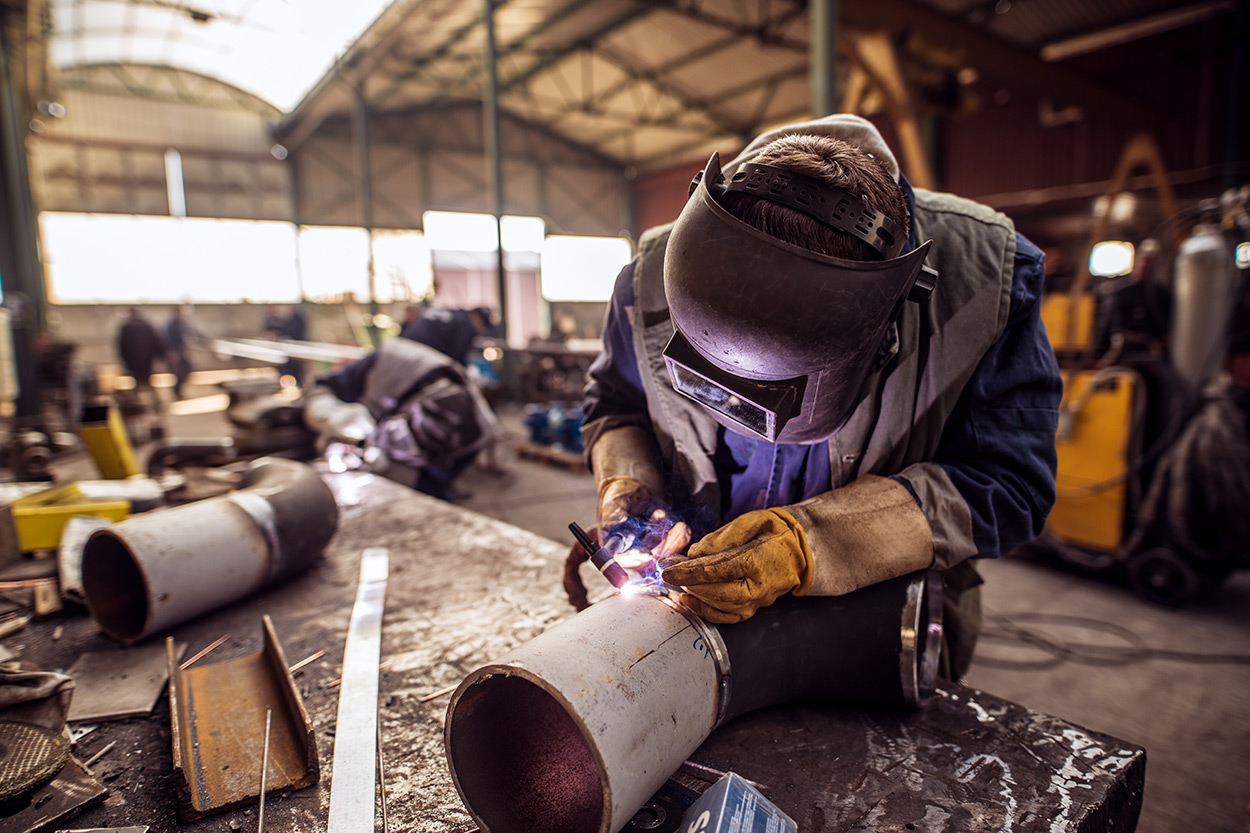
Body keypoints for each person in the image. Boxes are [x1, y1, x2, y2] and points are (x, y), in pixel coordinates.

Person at [579, 114, 1062, 681]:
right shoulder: (647, 275)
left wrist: (809, 544)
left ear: (885, 321)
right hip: (688, 618)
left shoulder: (991, 278)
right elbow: (615, 405)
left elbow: (1011, 484)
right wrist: (627, 485)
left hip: (876, 635)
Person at [302, 336, 497, 501]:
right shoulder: (390, 361)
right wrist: (330, 415)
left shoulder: (476, 438)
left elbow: (432, 488)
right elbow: (321, 388)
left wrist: (391, 469)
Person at [399, 306, 492, 366]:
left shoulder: (457, 315)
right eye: (483, 325)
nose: (481, 329)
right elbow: (457, 355)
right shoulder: (466, 324)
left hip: (405, 343)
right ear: (477, 317)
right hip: (418, 349)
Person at [117, 307, 164, 394]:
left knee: (136, 382)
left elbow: (122, 346)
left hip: (133, 361)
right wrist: (160, 356)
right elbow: (156, 342)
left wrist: (124, 360)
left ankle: (139, 397)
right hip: (147, 360)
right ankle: (149, 397)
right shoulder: (148, 326)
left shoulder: (126, 327)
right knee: (148, 381)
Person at [165, 306, 194, 399]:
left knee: (187, 371)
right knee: (178, 373)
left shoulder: (183, 324)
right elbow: (168, 340)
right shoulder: (171, 325)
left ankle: (179, 391)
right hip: (176, 353)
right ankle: (177, 392)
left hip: (183, 353)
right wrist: (172, 352)